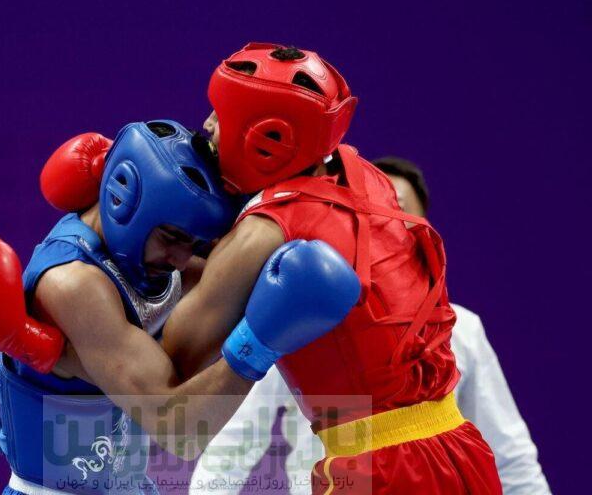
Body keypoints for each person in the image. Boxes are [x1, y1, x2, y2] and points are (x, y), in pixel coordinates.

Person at [0, 120, 361, 494]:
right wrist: (259, 343)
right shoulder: (74, 284)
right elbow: (180, 431)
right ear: (124, 200)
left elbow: (233, 274)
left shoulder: (150, 256)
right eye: (174, 238)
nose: (182, 258)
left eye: (194, 243)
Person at [158, 43, 502, 494]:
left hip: (380, 472)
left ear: (268, 136)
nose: (206, 125)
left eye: (221, 113)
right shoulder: (368, 177)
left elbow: (176, 360)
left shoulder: (267, 230)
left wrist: (121, 259)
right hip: (461, 452)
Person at [189, 156, 552, 495]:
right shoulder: (296, 316)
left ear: (417, 232)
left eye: (396, 215)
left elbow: (511, 454)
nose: (381, 229)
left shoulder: (465, 330)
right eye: (365, 221)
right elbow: (234, 443)